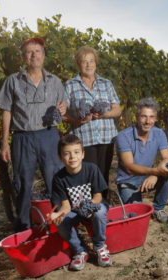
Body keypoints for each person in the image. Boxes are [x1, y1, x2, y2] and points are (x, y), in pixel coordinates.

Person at [0, 37, 66, 233]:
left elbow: (63, 106)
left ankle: (59, 230)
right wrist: (5, 143)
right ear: (24, 57)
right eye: (29, 51)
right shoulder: (13, 81)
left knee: (55, 183)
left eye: (38, 51)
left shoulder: (55, 81)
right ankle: (23, 231)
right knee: (23, 186)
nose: (34, 55)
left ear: (43, 55)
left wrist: (63, 107)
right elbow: (6, 111)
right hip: (22, 138)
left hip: (50, 137)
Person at [62, 46, 122, 199]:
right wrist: (75, 120)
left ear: (96, 63)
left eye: (91, 61)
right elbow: (61, 113)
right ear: (78, 64)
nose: (88, 65)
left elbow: (117, 109)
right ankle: (86, 207)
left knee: (103, 172)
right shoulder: (70, 85)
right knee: (87, 173)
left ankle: (102, 205)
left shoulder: (106, 83)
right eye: (84, 62)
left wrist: (105, 114)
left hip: (106, 136)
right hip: (83, 137)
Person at [49, 134, 112, 271]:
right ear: (60, 157)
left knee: (100, 211)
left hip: (93, 206)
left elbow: (98, 197)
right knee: (62, 223)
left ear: (83, 154)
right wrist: (57, 215)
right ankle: (80, 250)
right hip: (74, 211)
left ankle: (99, 246)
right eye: (67, 153)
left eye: (76, 152)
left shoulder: (92, 169)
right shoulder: (59, 178)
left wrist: (88, 207)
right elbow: (66, 206)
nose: (72, 157)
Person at [115, 97, 168, 223]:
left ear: (155, 118)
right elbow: (129, 167)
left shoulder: (159, 133)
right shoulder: (123, 136)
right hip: (128, 179)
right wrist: (156, 171)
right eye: (144, 116)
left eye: (151, 117)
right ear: (136, 117)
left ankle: (158, 209)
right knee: (137, 217)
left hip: (148, 175)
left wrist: (155, 174)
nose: (148, 121)